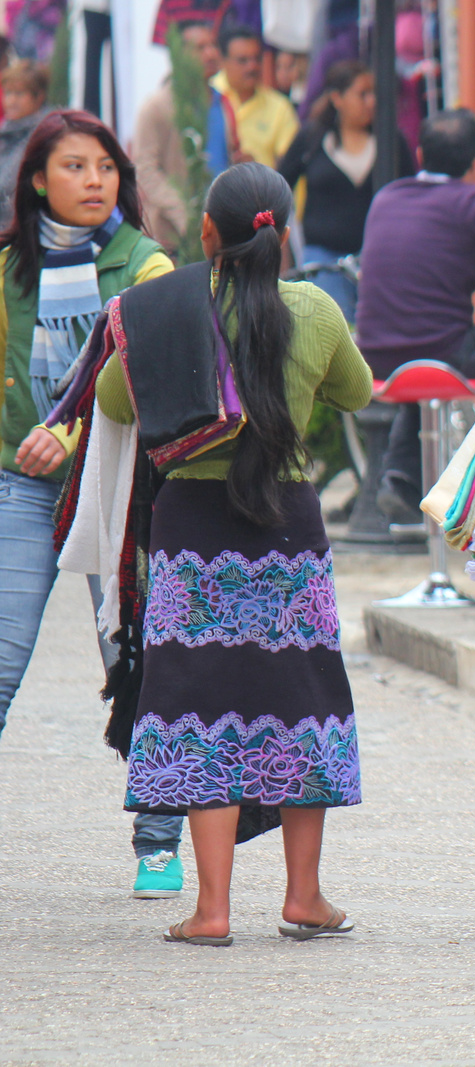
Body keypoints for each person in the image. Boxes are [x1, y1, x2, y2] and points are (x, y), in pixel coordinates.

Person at [94, 162, 372, 946]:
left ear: (207, 234)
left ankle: (211, 910)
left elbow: (117, 400)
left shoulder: (171, 310)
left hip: (191, 526)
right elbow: (361, 391)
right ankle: (303, 896)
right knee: (302, 698)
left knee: (195, 702)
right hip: (286, 523)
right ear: (279, 233)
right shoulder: (314, 309)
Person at [0, 111, 175, 891]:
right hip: (20, 486)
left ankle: (161, 842)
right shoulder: (7, 270)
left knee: (139, 662)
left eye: (105, 167)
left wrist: (68, 434)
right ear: (38, 178)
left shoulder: (147, 268)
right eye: (74, 167)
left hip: (116, 489)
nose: (95, 180)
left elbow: (151, 381)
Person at [356, 108, 475, 523]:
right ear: (474, 164)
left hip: (377, 358)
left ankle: (402, 477)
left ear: (419, 153)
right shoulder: (471, 201)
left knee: (423, 337)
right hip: (443, 355)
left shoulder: (387, 197)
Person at [277, 59, 413, 320]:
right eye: (362, 94)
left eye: (374, 94)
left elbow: (411, 196)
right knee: (331, 329)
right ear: (337, 98)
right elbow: (278, 187)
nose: (371, 102)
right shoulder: (312, 139)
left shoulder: (391, 142)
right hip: (323, 260)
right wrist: (279, 249)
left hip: (379, 260)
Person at [131, 20, 228, 254]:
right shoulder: (156, 107)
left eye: (213, 45)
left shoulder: (223, 102)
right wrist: (184, 215)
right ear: (179, 55)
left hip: (222, 230)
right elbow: (145, 169)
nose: (211, 53)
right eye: (200, 47)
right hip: (177, 238)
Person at [211, 25, 298, 169]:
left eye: (256, 59)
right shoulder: (209, 96)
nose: (252, 67)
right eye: (243, 60)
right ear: (223, 61)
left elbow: (291, 164)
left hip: (261, 190)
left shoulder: (279, 107)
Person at [0, 60, 48, 229]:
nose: (11, 101)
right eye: (8, 93)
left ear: (38, 97)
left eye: (19, 94)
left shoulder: (42, 137)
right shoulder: (5, 133)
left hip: (22, 231)